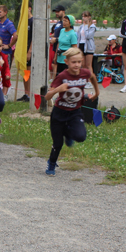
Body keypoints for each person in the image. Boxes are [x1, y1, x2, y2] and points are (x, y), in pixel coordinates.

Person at [44, 47, 99, 176]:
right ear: (67, 62)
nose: (77, 65)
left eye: (79, 62)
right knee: (58, 144)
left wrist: (96, 93)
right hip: (59, 112)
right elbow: (47, 97)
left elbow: (93, 76)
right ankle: (51, 163)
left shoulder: (84, 73)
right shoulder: (62, 76)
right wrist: (58, 89)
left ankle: (68, 134)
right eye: (74, 62)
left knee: (80, 136)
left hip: (75, 112)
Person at [78, 11, 97, 87]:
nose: (84, 18)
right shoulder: (81, 26)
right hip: (81, 45)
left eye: (85, 16)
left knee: (89, 64)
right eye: (82, 16)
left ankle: (91, 81)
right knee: (83, 64)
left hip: (89, 46)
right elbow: (79, 36)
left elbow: (88, 36)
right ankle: (85, 80)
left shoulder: (92, 26)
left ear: (89, 17)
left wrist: (86, 26)